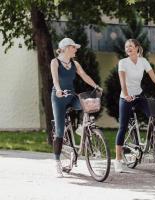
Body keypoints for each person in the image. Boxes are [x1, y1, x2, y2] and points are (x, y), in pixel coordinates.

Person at [115, 38, 155, 172]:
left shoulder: (143, 61)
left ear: (137, 47)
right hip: (125, 97)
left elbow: (153, 77)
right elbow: (122, 82)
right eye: (126, 47)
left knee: (153, 115)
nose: (128, 48)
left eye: (131, 46)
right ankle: (118, 160)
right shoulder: (123, 62)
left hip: (139, 95)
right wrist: (126, 95)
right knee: (122, 127)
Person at [50, 37, 101, 178]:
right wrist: (59, 90)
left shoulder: (75, 63)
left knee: (88, 104)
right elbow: (55, 79)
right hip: (59, 97)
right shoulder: (55, 62)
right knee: (59, 131)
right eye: (74, 47)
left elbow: (84, 76)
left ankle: (81, 127)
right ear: (66, 48)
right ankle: (57, 162)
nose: (76, 49)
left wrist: (95, 86)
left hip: (72, 96)